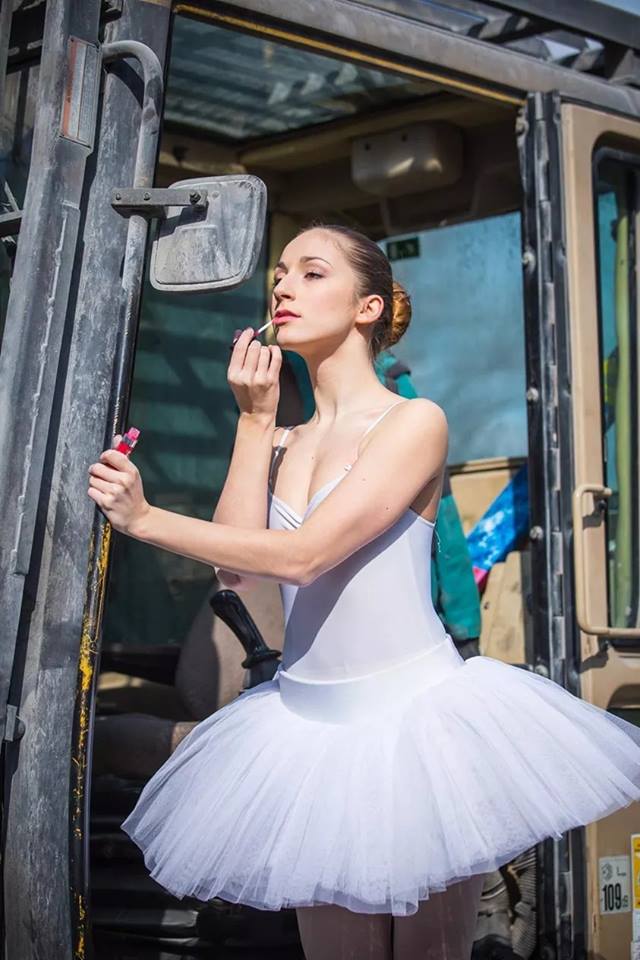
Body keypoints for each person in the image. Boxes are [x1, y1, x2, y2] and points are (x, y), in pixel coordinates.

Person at [88, 224, 640, 960]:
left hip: (417, 730)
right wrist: (253, 420)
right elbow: (237, 573)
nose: (283, 287)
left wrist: (145, 520)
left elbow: (305, 557)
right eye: (280, 275)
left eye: (311, 273)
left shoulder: (414, 422)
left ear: (367, 307)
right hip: (306, 735)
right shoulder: (279, 439)